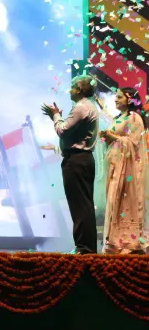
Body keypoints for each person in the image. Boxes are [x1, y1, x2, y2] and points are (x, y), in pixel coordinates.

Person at [42, 75, 99, 254]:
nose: (70, 89)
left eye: (73, 86)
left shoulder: (81, 108)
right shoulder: (89, 106)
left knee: (79, 205)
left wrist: (55, 115)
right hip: (83, 160)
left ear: (80, 90)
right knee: (84, 204)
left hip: (77, 161)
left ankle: (84, 248)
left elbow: (62, 130)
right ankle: (86, 248)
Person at [98, 87, 149, 254]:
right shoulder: (120, 118)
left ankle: (129, 242)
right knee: (114, 201)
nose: (115, 100)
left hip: (128, 171)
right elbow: (118, 139)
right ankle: (115, 241)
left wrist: (113, 137)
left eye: (119, 97)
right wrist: (107, 137)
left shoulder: (135, 118)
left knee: (126, 203)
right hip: (116, 167)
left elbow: (133, 143)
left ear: (129, 99)